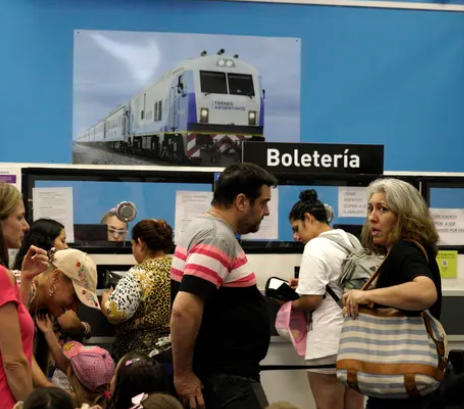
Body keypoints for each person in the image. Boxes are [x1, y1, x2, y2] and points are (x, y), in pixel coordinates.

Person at [170, 162, 278, 409]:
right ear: (241, 202)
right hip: (227, 380)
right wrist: (183, 375)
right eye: (263, 203)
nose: (267, 211)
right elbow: (183, 310)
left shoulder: (207, 229)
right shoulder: (216, 238)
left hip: (228, 377)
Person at [342, 178, 442, 409]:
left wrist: (366, 296)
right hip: (407, 379)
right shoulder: (410, 249)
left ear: (403, 216)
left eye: (383, 209)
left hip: (402, 383)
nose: (372, 217)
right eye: (370, 208)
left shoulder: (404, 249)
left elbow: (426, 291)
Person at [287, 189, 364, 409]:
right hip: (356, 340)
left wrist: (287, 304)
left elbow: (312, 299)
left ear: (308, 219)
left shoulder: (315, 246)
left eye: (296, 228)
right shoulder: (350, 240)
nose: (295, 236)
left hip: (328, 343)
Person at [12, 219, 92, 383]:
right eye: (74, 297)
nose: (74, 307)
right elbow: (16, 355)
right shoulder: (16, 287)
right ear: (55, 279)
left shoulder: (41, 307)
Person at [101, 219, 173, 362]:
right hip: (171, 351)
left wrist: (105, 302)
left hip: (138, 356)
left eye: (132, 244)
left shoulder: (139, 274)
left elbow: (116, 313)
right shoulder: (177, 269)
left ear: (141, 243)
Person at [36, 314, 113, 408]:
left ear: (76, 380)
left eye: (71, 366)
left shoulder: (72, 399)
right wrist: (49, 332)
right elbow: (63, 364)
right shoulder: (104, 398)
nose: (66, 365)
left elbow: (43, 383)